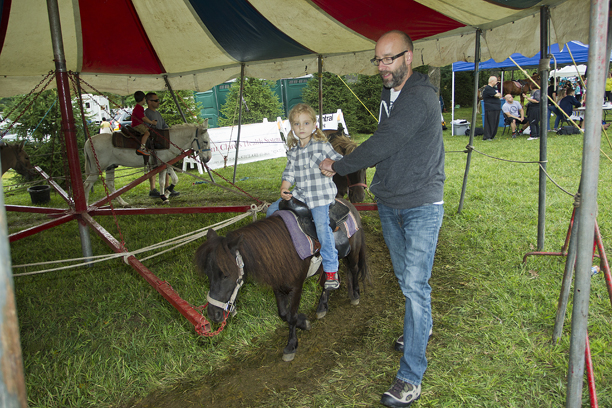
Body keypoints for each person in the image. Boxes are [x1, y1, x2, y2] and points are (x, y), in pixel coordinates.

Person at [320, 30, 444, 407]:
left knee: (413, 285)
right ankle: (420, 328)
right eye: (378, 59)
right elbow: (387, 138)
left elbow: (384, 141)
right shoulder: (390, 92)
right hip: (390, 201)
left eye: (389, 59)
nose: (382, 67)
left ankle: (410, 377)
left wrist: (338, 165)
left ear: (409, 56)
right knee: (410, 280)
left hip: (421, 203)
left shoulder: (419, 95)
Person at [266, 103, 343, 290]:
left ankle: (331, 269)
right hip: (300, 195)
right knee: (271, 210)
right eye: (297, 124)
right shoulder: (293, 152)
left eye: (306, 123)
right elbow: (289, 174)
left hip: (319, 197)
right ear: (292, 127)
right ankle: (277, 250)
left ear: (315, 125)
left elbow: (339, 160)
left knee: (322, 227)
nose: (301, 128)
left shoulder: (322, 146)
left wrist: (332, 168)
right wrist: (284, 187)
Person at [144, 92, 179, 197]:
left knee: (166, 164)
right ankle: (153, 189)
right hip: (153, 143)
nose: (158, 102)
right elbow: (147, 127)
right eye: (156, 100)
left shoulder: (157, 113)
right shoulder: (146, 114)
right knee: (154, 166)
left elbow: (164, 126)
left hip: (161, 142)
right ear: (149, 102)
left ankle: (167, 186)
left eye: (158, 100)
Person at [131, 91, 157, 155]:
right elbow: (144, 118)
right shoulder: (138, 108)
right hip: (137, 125)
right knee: (147, 133)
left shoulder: (139, 107)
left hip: (139, 124)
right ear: (143, 99)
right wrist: (151, 122)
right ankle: (142, 148)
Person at [482, 76, 502, 140]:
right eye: (496, 81)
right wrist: (497, 94)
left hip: (496, 108)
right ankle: (487, 136)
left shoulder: (493, 88)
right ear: (491, 81)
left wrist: (498, 94)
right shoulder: (488, 88)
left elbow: (500, 95)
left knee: (495, 123)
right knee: (490, 122)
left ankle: (492, 135)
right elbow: (497, 95)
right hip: (490, 108)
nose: (497, 82)